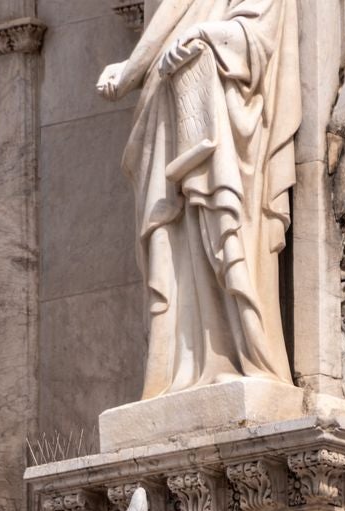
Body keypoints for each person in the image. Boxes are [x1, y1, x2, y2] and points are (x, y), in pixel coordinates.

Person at [96, 0, 300, 399]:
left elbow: (259, 37)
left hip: (225, 132)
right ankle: (178, 369)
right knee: (173, 251)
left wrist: (203, 35)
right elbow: (163, 31)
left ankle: (242, 356)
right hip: (172, 123)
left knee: (225, 235)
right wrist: (129, 70)